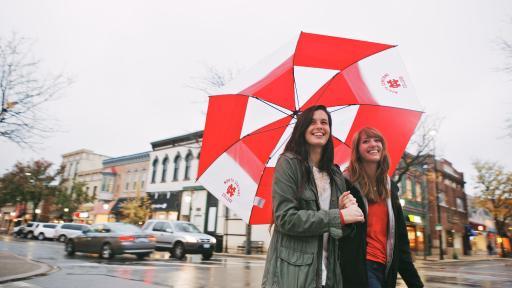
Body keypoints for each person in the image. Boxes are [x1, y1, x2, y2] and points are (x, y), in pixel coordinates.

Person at [261, 105, 364, 288]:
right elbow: (285, 218)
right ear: (302, 129)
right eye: (312, 122)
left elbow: (338, 233)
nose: (319, 126)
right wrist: (338, 216)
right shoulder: (289, 164)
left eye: (324, 122)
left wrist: (345, 212)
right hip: (294, 275)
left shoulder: (335, 173)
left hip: (328, 274)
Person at [340, 127, 423, 288]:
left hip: (386, 268)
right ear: (357, 150)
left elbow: (400, 239)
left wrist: (415, 284)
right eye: (366, 141)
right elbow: (339, 232)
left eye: (377, 140)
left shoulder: (389, 187)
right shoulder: (346, 183)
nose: (373, 144)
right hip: (360, 267)